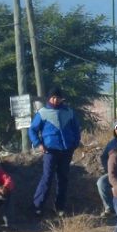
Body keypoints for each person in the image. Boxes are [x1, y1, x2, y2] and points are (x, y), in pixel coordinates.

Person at [28, 86, 81, 217]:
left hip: (66, 150)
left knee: (63, 179)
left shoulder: (69, 112)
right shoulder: (43, 112)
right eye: (53, 97)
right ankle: (37, 206)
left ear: (61, 98)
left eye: (58, 97)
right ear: (49, 98)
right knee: (47, 177)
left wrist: (74, 143)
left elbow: (76, 129)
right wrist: (38, 144)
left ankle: (60, 208)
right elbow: (32, 130)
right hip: (50, 150)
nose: (55, 100)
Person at [97, 120, 117, 217]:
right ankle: (110, 209)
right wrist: (109, 169)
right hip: (115, 173)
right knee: (101, 182)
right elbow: (103, 157)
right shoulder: (111, 144)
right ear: (114, 131)